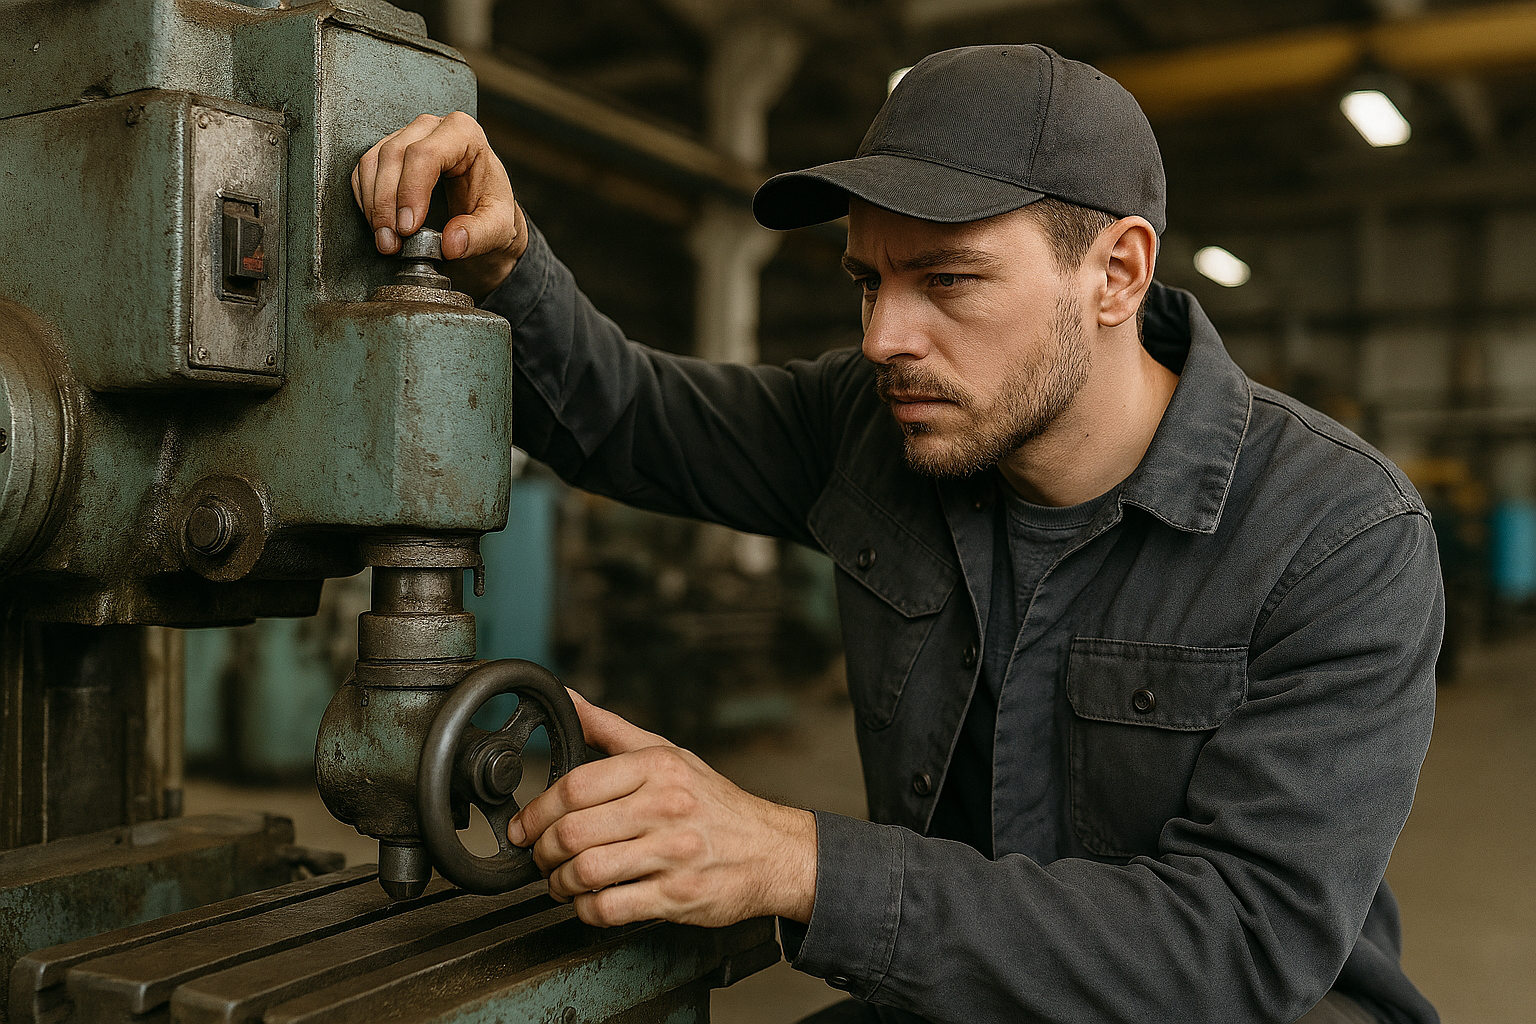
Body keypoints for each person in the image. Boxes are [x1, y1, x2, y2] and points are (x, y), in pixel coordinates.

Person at [354, 45, 1441, 1024]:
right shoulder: (876, 429)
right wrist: (501, 264)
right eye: (869, 281)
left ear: (1116, 273)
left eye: (947, 280)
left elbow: (1239, 944)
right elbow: (625, 418)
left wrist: (799, 860)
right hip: (962, 985)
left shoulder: (1338, 536)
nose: (883, 337)